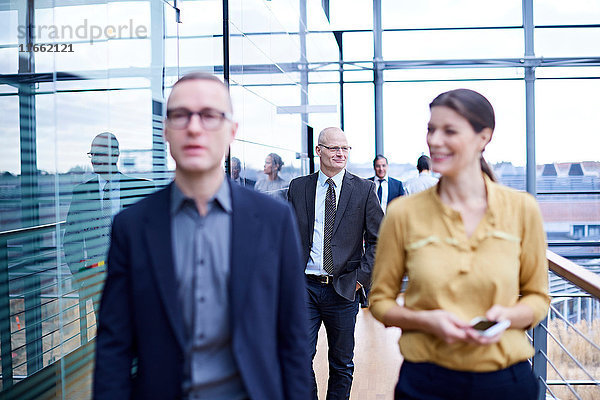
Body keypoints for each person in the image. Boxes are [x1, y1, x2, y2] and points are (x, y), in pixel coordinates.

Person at [94, 72, 311, 400]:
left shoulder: (274, 221)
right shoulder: (132, 227)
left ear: (232, 131)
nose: (194, 127)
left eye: (209, 115)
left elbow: (293, 338)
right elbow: (114, 346)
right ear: (166, 131)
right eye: (180, 115)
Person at [369, 89, 549, 400]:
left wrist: (505, 316)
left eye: (449, 131)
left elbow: (537, 298)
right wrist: (425, 320)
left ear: (484, 137)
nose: (434, 140)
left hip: (505, 382)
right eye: (431, 129)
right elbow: (381, 302)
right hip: (426, 382)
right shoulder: (403, 213)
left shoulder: (522, 209)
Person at [288, 127, 383, 400]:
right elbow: (288, 234)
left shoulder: (364, 190)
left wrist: (359, 280)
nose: (341, 153)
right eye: (334, 148)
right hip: (304, 287)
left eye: (345, 148)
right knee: (299, 357)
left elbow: (379, 240)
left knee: (341, 363)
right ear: (318, 151)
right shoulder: (299, 187)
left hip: (343, 288)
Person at [64, 132, 154, 339]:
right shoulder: (81, 193)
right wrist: (82, 276)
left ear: (115, 155)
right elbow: (71, 240)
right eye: (92, 154)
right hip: (98, 280)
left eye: (99, 154)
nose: (94, 159)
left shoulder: (141, 189)